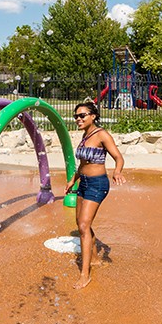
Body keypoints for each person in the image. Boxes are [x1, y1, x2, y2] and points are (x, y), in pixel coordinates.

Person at [64, 101, 125, 289]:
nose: (78, 119)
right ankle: (95, 258)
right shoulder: (85, 136)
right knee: (81, 224)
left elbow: (118, 157)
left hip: (98, 184)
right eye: (76, 116)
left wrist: (117, 171)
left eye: (82, 115)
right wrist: (73, 180)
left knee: (83, 225)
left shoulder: (102, 135)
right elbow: (82, 165)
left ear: (93, 116)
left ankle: (85, 275)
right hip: (83, 183)